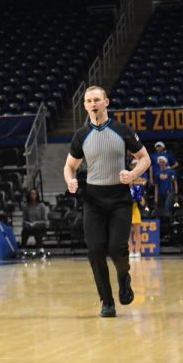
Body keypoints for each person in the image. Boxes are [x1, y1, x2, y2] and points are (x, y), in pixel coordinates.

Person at [63, 86, 150, 318]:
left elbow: (145, 158)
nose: (93, 104)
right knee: (95, 250)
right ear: (84, 105)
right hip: (93, 199)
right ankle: (107, 301)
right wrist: (70, 181)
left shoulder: (122, 130)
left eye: (97, 100)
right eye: (89, 100)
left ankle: (124, 278)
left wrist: (132, 175)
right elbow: (70, 166)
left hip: (120, 198)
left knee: (116, 248)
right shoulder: (81, 135)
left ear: (106, 102)